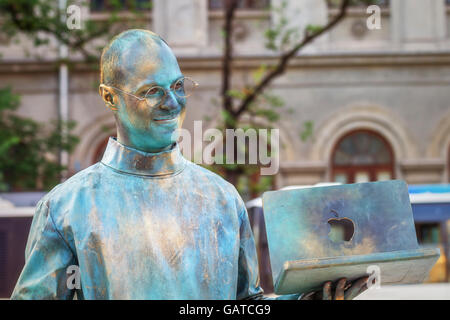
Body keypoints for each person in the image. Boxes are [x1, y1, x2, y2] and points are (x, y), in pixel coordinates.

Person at [11, 29, 367, 300]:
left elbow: (246, 303)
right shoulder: (65, 209)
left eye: (178, 86)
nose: (173, 102)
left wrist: (307, 297)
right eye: (152, 91)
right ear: (110, 97)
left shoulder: (223, 199)